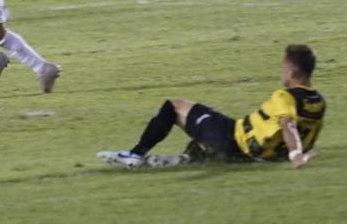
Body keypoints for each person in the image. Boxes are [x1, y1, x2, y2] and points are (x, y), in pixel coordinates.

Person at [98, 44, 324, 170]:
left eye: (283, 67)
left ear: (293, 73)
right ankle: (193, 157)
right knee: (207, 121)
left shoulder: (284, 97)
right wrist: (294, 153)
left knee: (175, 106)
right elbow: (302, 132)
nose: (281, 71)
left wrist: (295, 156)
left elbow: (288, 125)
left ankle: (135, 156)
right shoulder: (318, 102)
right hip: (262, 153)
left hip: (234, 141)